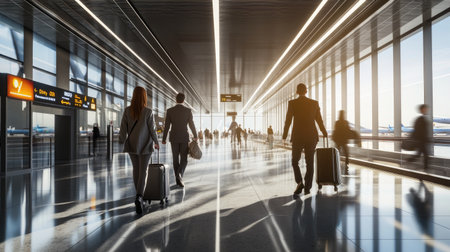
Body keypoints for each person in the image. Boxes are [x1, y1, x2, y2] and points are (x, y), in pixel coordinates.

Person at [119, 86, 159, 214]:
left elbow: (123, 128)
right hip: (146, 144)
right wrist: (157, 142)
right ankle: (139, 196)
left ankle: (138, 196)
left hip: (132, 144)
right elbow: (152, 129)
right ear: (144, 97)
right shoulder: (148, 111)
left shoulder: (127, 110)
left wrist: (121, 141)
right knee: (144, 171)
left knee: (136, 169)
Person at [282, 83, 327, 196]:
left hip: (297, 137)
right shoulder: (314, 103)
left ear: (297, 92)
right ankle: (307, 187)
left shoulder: (292, 103)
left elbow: (288, 121)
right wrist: (324, 132)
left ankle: (299, 182)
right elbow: (319, 120)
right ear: (306, 91)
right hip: (311, 136)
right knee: (309, 162)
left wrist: (284, 136)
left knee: (294, 161)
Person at [162, 93, 198, 187]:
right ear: (184, 100)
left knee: (175, 158)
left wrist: (164, 138)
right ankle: (180, 174)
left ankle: (178, 178)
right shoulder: (188, 111)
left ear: (176, 99)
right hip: (184, 137)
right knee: (184, 159)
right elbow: (191, 124)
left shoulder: (170, 111)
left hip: (173, 137)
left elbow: (167, 126)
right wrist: (195, 135)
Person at [407, 104, 431, 169]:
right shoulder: (420, 119)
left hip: (421, 140)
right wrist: (424, 138)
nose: (426, 110)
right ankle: (426, 170)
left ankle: (408, 161)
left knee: (418, 155)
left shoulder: (421, 118)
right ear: (422, 110)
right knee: (425, 155)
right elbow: (419, 130)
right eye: (425, 109)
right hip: (421, 141)